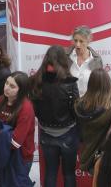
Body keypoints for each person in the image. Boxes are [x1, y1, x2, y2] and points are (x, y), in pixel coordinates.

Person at [29, 45, 79, 187]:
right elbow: (75, 110)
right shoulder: (70, 83)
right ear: (64, 60)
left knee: (50, 172)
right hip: (68, 133)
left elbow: (35, 110)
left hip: (46, 133)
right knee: (69, 173)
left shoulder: (35, 81)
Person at [0, 71, 36, 180]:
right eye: (6, 83)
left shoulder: (26, 108)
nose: (7, 88)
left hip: (20, 158)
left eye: (12, 86)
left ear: (21, 90)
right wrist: (3, 134)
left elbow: (15, 143)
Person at [74, 68, 111, 174]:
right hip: (107, 154)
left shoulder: (80, 105)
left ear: (90, 84)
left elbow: (79, 132)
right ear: (108, 83)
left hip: (87, 153)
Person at [67, 25, 102, 95]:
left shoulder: (96, 60)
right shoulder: (66, 57)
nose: (77, 44)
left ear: (88, 41)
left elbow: (99, 84)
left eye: (81, 41)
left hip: (89, 102)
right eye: (75, 40)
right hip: (68, 102)